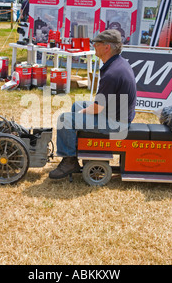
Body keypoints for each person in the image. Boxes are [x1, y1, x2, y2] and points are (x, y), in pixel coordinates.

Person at [49, 29, 137, 179]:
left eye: (97, 44)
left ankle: (69, 160)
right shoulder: (118, 63)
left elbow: (97, 108)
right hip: (116, 113)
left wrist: (81, 114)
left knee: (65, 119)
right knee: (78, 105)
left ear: (107, 47)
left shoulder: (112, 73)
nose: (94, 46)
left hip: (116, 122)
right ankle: (77, 148)